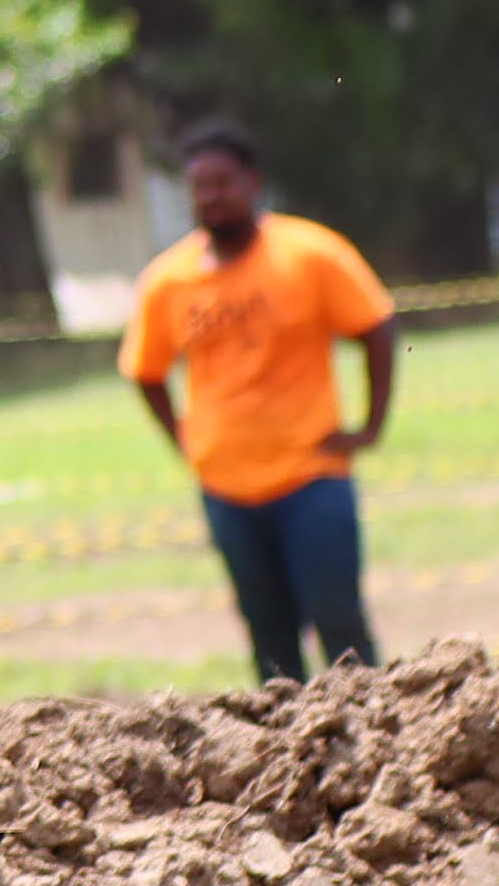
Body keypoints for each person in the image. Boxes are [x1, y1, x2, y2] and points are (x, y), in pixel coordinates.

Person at [124, 119, 399, 686]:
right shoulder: (169, 280)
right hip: (227, 487)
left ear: (253, 181)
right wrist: (185, 438)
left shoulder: (310, 255)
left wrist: (370, 427)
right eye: (199, 187)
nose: (211, 197)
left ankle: (374, 729)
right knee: (268, 638)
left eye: (223, 183)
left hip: (311, 475)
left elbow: (377, 327)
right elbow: (145, 371)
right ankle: (286, 738)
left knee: (339, 622)